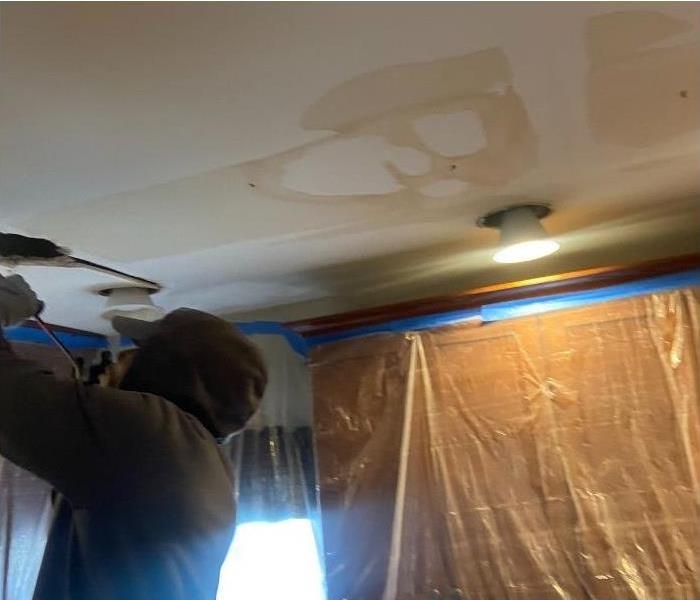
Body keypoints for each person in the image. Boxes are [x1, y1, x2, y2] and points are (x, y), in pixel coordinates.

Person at [0, 274, 267, 600]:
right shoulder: (199, 459)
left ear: (166, 371)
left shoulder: (151, 436)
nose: (121, 360)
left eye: (139, 353)